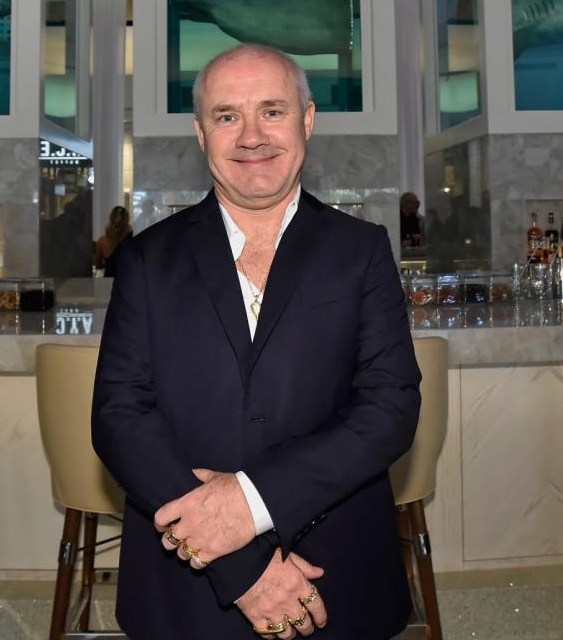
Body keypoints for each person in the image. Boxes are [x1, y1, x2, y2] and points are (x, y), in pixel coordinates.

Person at [91, 43, 421, 639]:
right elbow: (120, 417)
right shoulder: (146, 259)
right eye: (227, 116)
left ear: (308, 120)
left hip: (335, 570)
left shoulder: (362, 250)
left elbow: (390, 407)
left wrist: (249, 499)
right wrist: (243, 567)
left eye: (272, 111)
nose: (251, 136)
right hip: (187, 582)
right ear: (201, 134)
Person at [94, 205, 133, 277]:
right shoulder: (134, 239)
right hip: (128, 281)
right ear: (127, 220)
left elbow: (97, 265)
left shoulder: (102, 240)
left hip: (109, 281)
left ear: (111, 219)